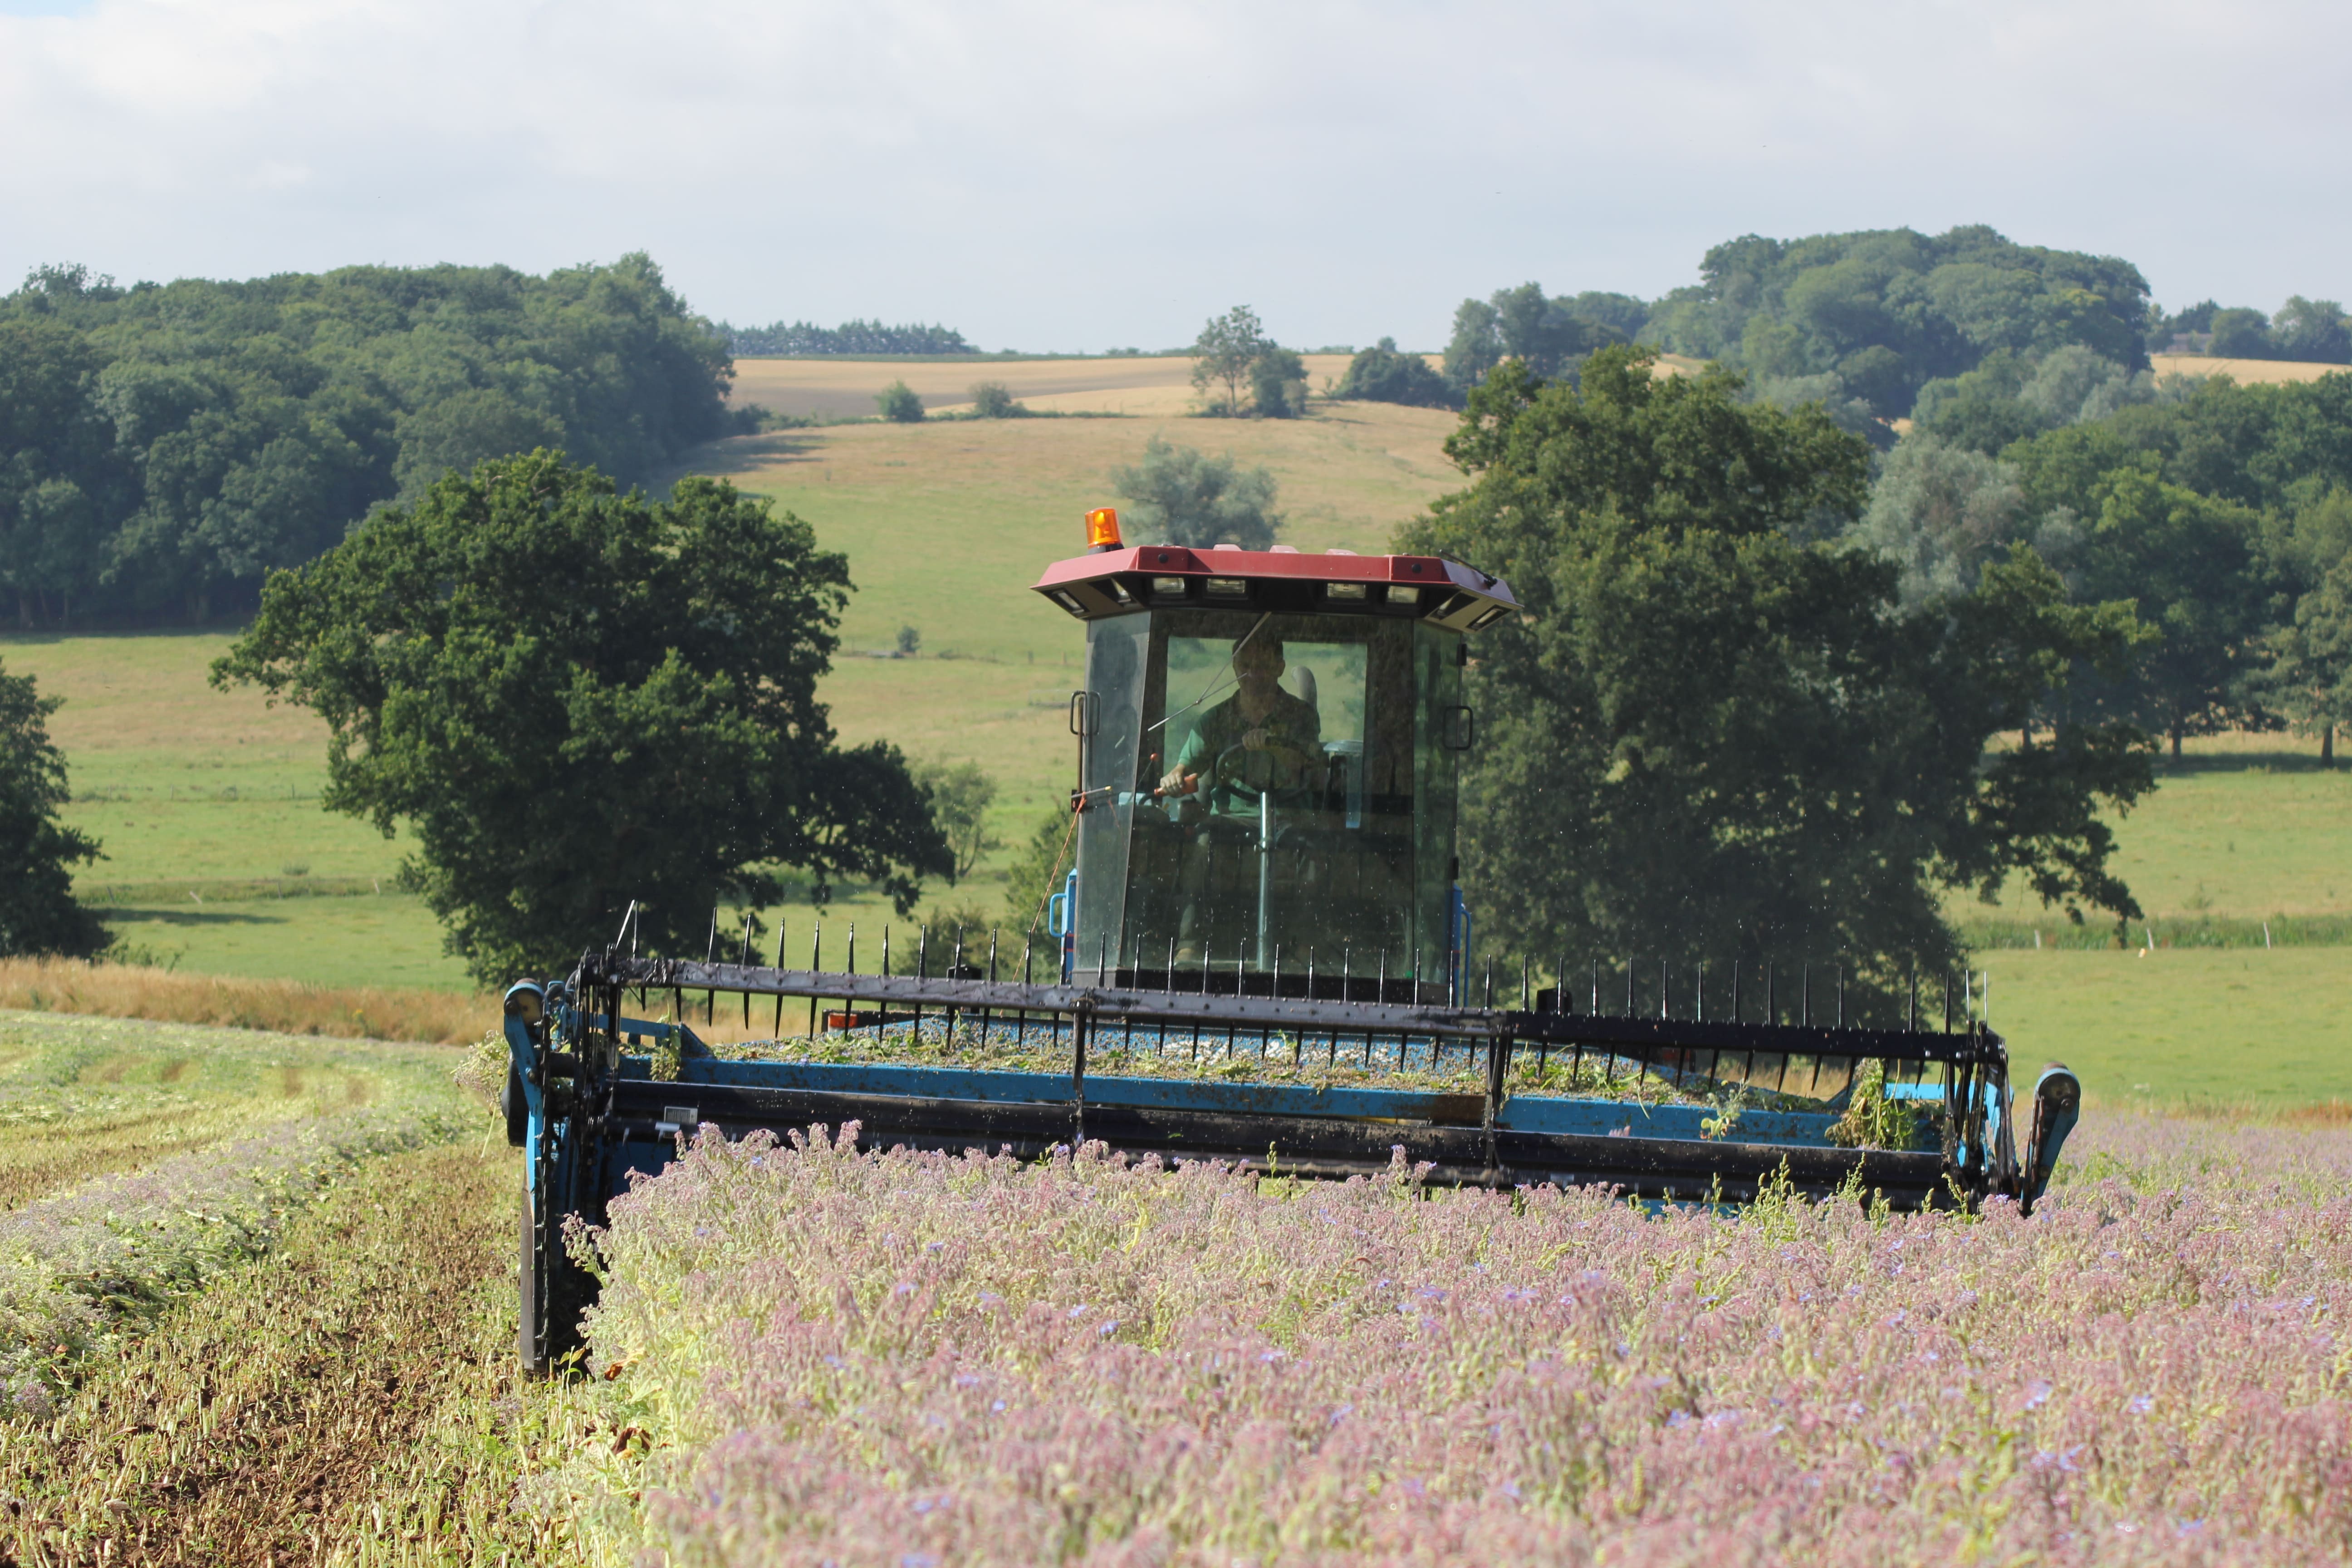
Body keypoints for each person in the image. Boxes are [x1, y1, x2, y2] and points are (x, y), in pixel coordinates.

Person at [1158, 634, 1321, 812]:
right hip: (1228, 825)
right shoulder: (1214, 721)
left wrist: (1277, 746)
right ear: (1235, 667)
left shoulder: (1302, 716)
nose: (1252, 673)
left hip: (1290, 822)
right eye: (1245, 666)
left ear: (1280, 668)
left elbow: (1312, 772)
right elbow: (1185, 770)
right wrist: (1174, 779)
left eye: (1262, 666)